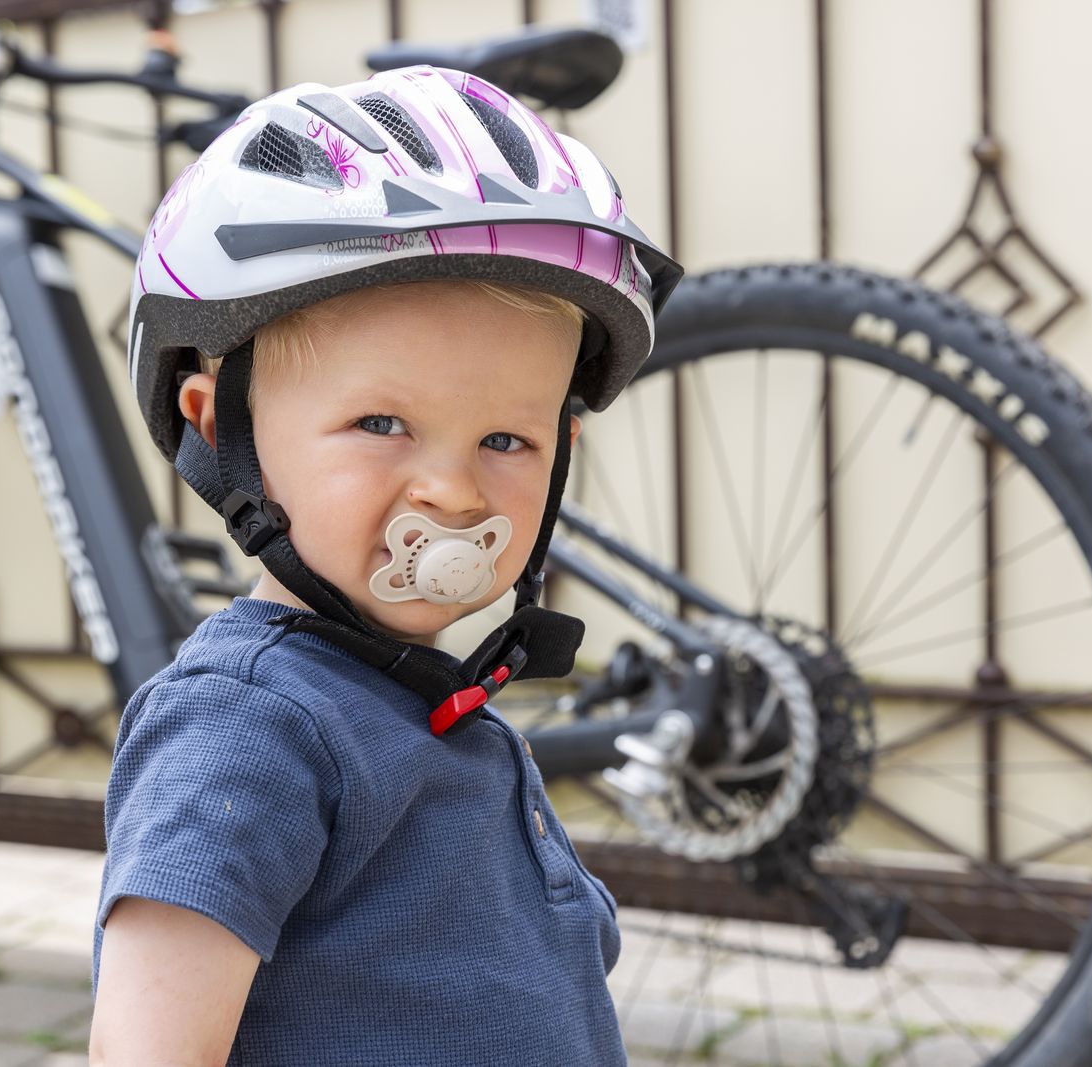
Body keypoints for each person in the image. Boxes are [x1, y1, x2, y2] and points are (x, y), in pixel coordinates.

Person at [90, 63, 682, 1066]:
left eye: (507, 438)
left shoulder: (438, 711)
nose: (453, 492)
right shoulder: (250, 723)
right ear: (217, 426)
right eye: (381, 423)